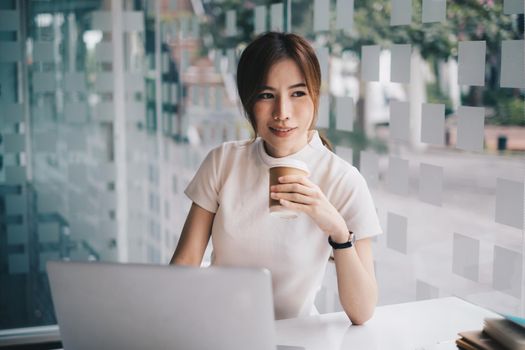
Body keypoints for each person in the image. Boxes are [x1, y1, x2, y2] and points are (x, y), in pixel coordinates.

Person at [170, 32, 382, 324]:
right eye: (266, 95)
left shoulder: (343, 180)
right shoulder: (223, 161)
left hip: (293, 337)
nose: (282, 113)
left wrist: (337, 230)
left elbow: (363, 312)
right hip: (218, 330)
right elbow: (184, 264)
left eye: (298, 93)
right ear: (248, 101)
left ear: (315, 96)